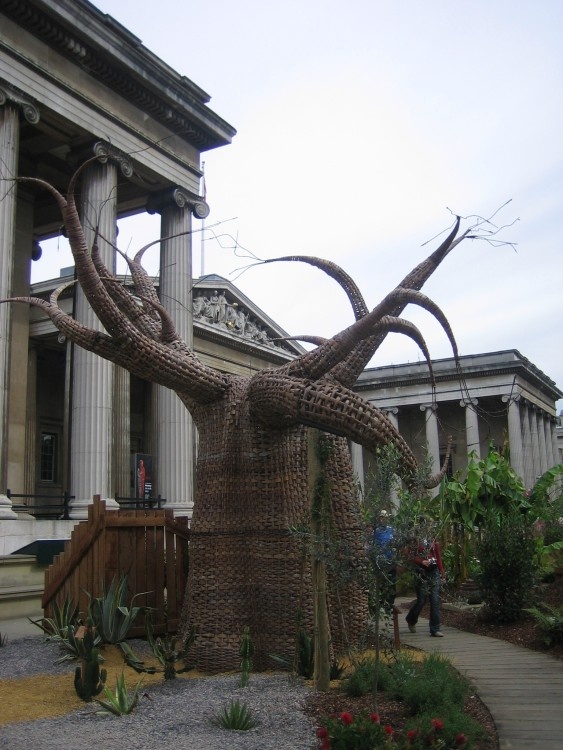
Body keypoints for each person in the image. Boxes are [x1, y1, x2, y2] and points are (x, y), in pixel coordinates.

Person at [405, 515, 445, 637]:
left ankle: (435, 628)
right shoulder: (415, 540)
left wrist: (442, 573)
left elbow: (438, 556)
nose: (430, 527)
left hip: (433, 571)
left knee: (435, 599)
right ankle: (411, 619)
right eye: (428, 525)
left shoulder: (432, 539)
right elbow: (411, 556)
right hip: (421, 571)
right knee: (422, 600)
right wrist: (421, 561)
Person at [373, 510, 397, 610]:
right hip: (381, 562)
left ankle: (390, 604)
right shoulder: (376, 532)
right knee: (382, 584)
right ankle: (382, 604)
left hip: (391, 561)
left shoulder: (392, 530)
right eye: (381, 518)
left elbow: (396, 544)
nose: (383, 519)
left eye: (385, 518)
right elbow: (374, 545)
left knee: (392, 583)